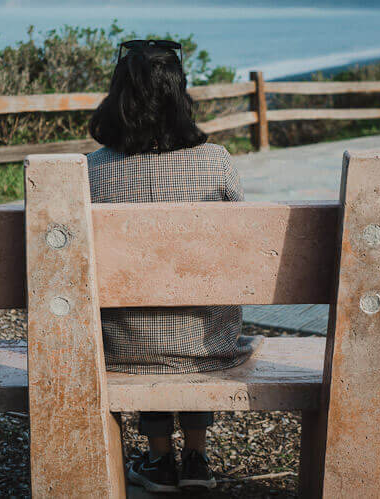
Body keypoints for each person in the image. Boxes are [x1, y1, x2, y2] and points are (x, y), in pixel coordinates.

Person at [87, 39, 260, 493]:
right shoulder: (216, 163)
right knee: (190, 319)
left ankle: (159, 461)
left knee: (145, 323)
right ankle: (197, 458)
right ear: (181, 96)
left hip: (122, 345)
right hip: (207, 344)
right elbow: (243, 253)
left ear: (119, 98)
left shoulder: (91, 171)